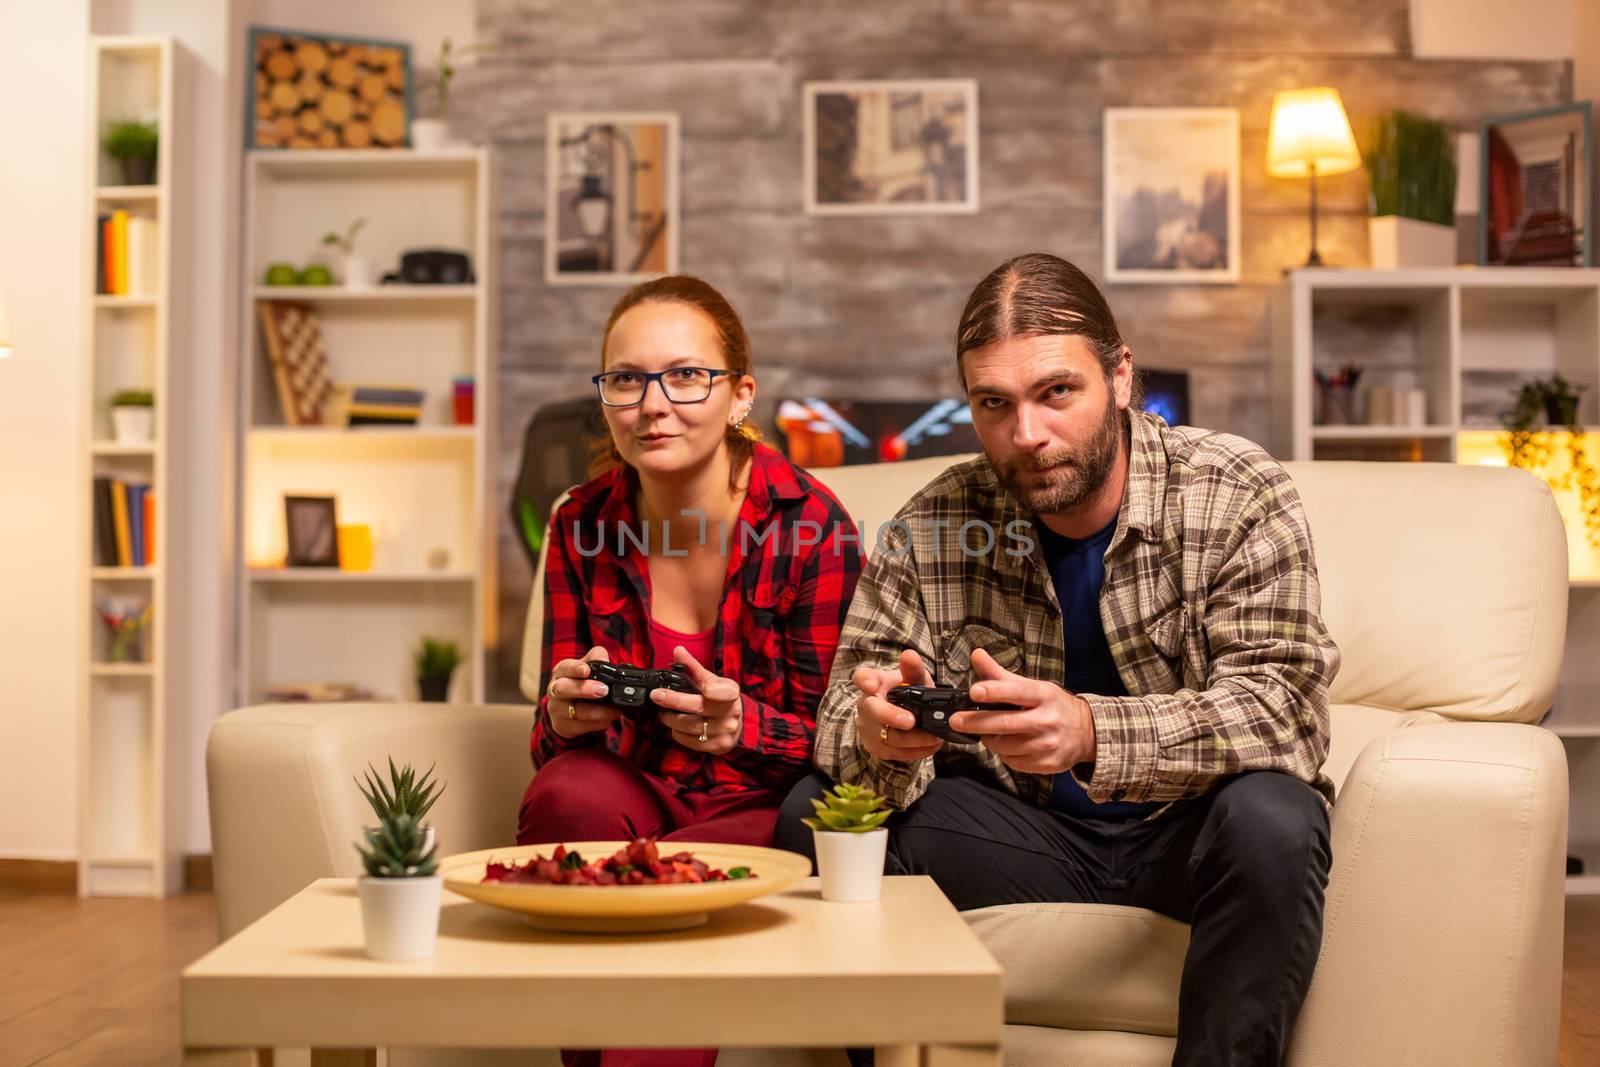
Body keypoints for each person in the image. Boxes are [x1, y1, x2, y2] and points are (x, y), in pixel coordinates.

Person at [775, 252, 1339, 1067]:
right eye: (993, 404)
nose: (1026, 435)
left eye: (1057, 392)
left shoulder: (1235, 490)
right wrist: (876, 734)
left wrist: (1088, 730)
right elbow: (837, 716)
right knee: (815, 810)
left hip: (1190, 838)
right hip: (1023, 836)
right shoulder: (935, 521)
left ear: (1120, 374)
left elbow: (1284, 709)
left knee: (1277, 816)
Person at [520, 274, 863, 1067]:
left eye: (685, 375)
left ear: (740, 395)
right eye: (627, 380)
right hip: (633, 789)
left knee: (683, 879)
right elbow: (551, 737)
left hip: (761, 801)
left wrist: (743, 725)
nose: (652, 403)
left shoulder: (811, 524)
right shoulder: (581, 520)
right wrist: (564, 715)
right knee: (566, 790)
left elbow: (845, 742)